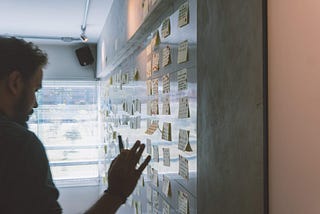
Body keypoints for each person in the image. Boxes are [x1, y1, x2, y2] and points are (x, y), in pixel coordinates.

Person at [0, 36, 151, 214]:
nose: (35, 104)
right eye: (35, 90)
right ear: (15, 83)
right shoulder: (19, 144)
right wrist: (116, 194)